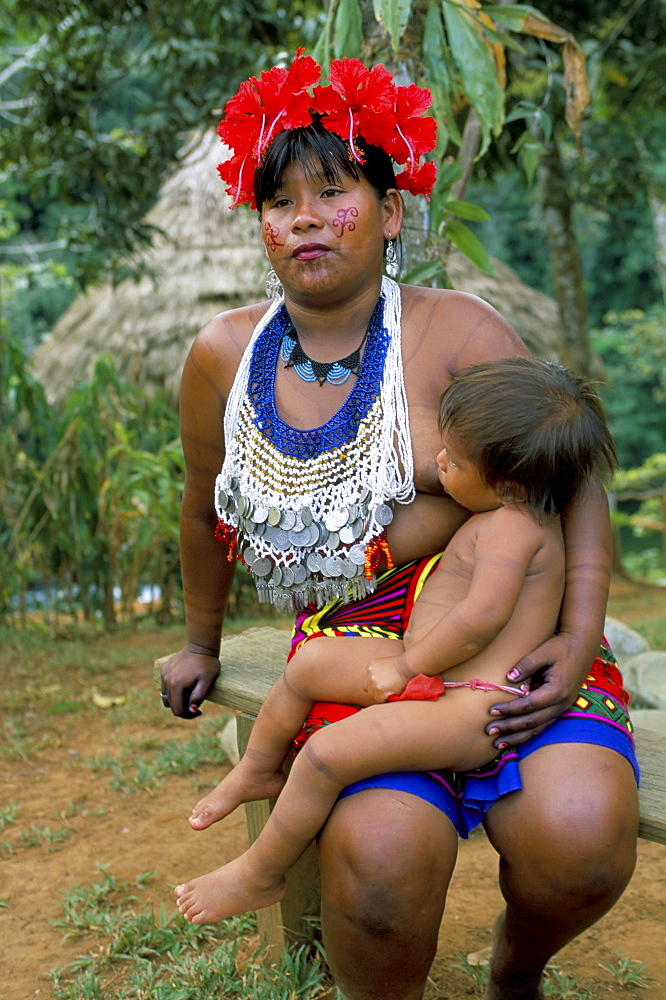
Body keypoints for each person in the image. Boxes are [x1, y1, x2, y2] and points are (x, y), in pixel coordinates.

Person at [160, 51, 640, 1000]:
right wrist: (197, 641)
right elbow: (203, 503)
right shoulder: (221, 354)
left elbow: (571, 476)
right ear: (258, 222)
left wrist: (579, 641)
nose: (302, 215)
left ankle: (518, 967)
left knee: (579, 841)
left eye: (331, 190)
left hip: (512, 637)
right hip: (360, 642)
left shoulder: (459, 330)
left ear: (389, 212)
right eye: (279, 198)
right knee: (380, 874)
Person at [173, 355, 620, 926]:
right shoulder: (503, 513)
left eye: (453, 461)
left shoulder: (513, 530)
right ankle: (259, 765)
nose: (438, 463)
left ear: (508, 484)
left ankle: (261, 871)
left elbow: (479, 620)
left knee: (328, 758)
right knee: (311, 664)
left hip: (469, 701)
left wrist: (406, 664)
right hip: (438, 667)